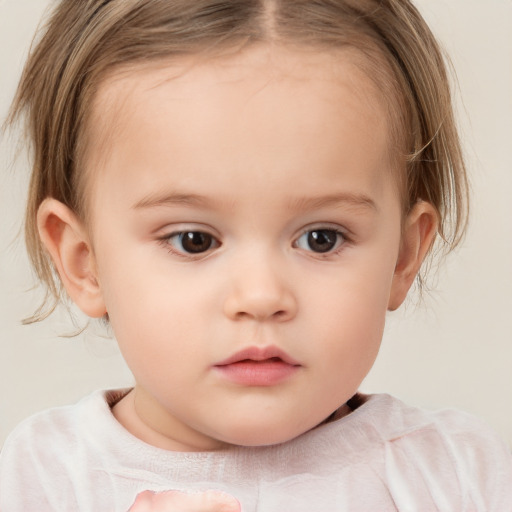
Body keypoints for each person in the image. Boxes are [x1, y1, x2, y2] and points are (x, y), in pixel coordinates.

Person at [0, 0, 510, 510]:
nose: (262, 296)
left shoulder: (454, 472)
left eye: (321, 238)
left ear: (403, 256)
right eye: (193, 240)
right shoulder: (42, 480)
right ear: (83, 262)